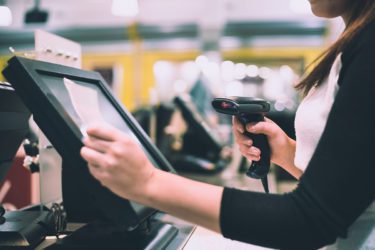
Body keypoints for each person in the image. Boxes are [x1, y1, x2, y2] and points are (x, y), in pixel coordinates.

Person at [80, 0, 375, 248]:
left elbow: (311, 221)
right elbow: (351, 185)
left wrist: (148, 183)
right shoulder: (353, 41)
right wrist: (286, 152)